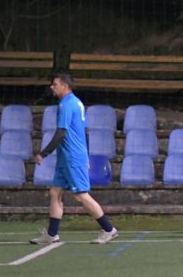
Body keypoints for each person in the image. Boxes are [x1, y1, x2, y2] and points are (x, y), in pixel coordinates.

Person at [30, 73, 118, 245]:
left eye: (55, 84)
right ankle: (52, 234)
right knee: (55, 192)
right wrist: (87, 155)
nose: (52, 87)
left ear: (65, 86)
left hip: (72, 156)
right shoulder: (76, 102)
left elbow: (61, 132)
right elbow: (85, 131)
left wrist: (44, 153)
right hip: (67, 157)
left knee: (81, 195)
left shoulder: (66, 104)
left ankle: (109, 229)